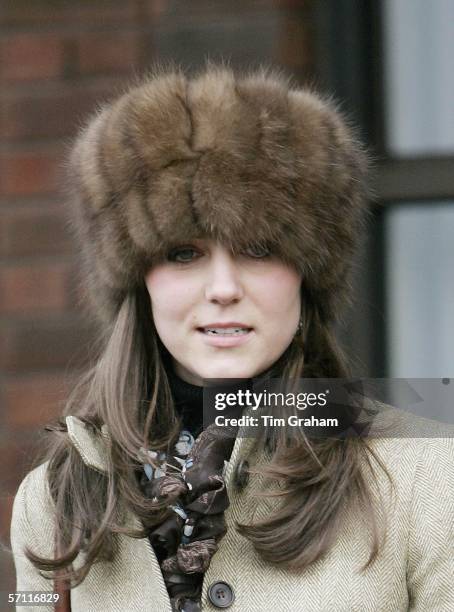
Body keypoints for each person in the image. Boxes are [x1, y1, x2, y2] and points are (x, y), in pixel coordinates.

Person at [10, 65, 454, 612]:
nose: (223, 288)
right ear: (138, 281)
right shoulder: (55, 497)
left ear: (307, 276)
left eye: (259, 248)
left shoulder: (428, 473)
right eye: (183, 253)